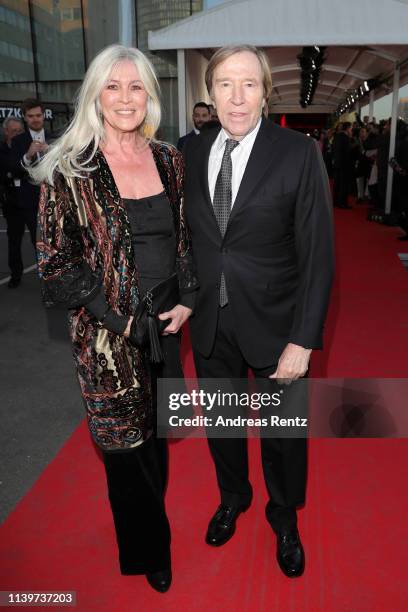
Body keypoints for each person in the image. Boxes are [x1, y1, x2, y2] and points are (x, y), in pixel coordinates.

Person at [32, 44, 198, 593]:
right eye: (113, 86)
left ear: (149, 94)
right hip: (107, 337)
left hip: (166, 323)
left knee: (156, 434)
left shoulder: (170, 158)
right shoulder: (70, 169)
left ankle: (153, 529)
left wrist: (188, 298)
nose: (126, 98)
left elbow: (184, 239)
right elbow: (58, 266)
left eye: (136, 87)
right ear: (95, 95)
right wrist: (120, 321)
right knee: (123, 449)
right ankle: (151, 547)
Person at [183, 45, 334, 578]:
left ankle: (285, 518)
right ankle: (233, 497)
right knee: (222, 424)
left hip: (278, 326)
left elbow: (318, 254)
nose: (237, 96)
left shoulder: (298, 152)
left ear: (266, 92)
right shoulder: (189, 151)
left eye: (249, 84)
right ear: (211, 93)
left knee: (284, 434)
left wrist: (304, 338)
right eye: (225, 83)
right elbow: (184, 241)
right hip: (210, 322)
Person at [9, 100, 52, 279]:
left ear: (44, 116)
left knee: (53, 240)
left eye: (38, 115)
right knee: (32, 240)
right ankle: (25, 276)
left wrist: (52, 151)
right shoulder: (18, 140)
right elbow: (13, 169)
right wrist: (28, 156)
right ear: (25, 118)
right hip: (28, 200)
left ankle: (53, 275)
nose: (35, 119)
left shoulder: (55, 137)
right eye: (31, 116)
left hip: (53, 197)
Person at [0, 117, 25, 287]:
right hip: (11, 202)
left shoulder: (27, 148)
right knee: (14, 240)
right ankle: (15, 275)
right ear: (6, 132)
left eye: (19, 131)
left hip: (30, 200)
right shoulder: (1, 150)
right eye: (13, 131)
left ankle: (47, 275)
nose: (16, 134)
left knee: (38, 240)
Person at [333, 121, 353, 209]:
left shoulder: (336, 136)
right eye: (351, 128)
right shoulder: (345, 138)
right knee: (343, 184)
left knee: (337, 183)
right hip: (344, 165)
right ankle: (342, 203)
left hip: (337, 164)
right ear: (348, 128)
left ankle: (336, 201)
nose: (351, 130)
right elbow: (347, 153)